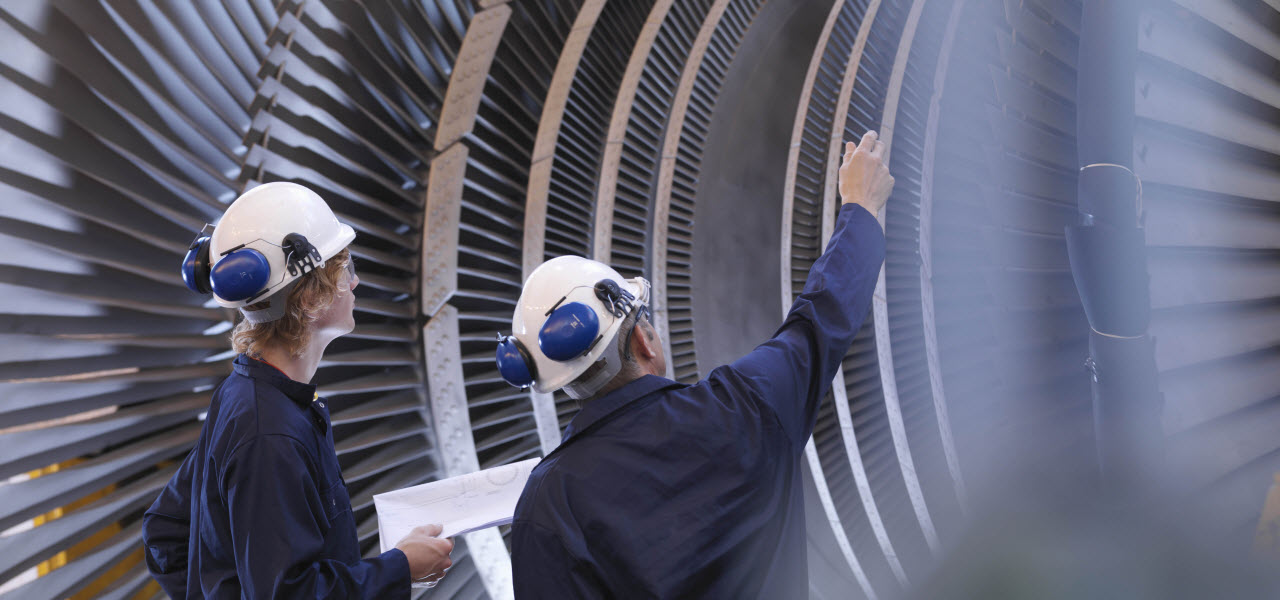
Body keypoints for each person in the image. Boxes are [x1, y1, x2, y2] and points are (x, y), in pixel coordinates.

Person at [495, 131, 895, 598]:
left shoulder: (548, 505)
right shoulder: (743, 408)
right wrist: (860, 206)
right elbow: (822, 318)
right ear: (644, 341)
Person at [142, 182, 453, 598]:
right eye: (345, 269)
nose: (355, 283)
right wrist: (401, 568)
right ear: (310, 298)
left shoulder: (246, 396)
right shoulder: (270, 433)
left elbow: (166, 532)